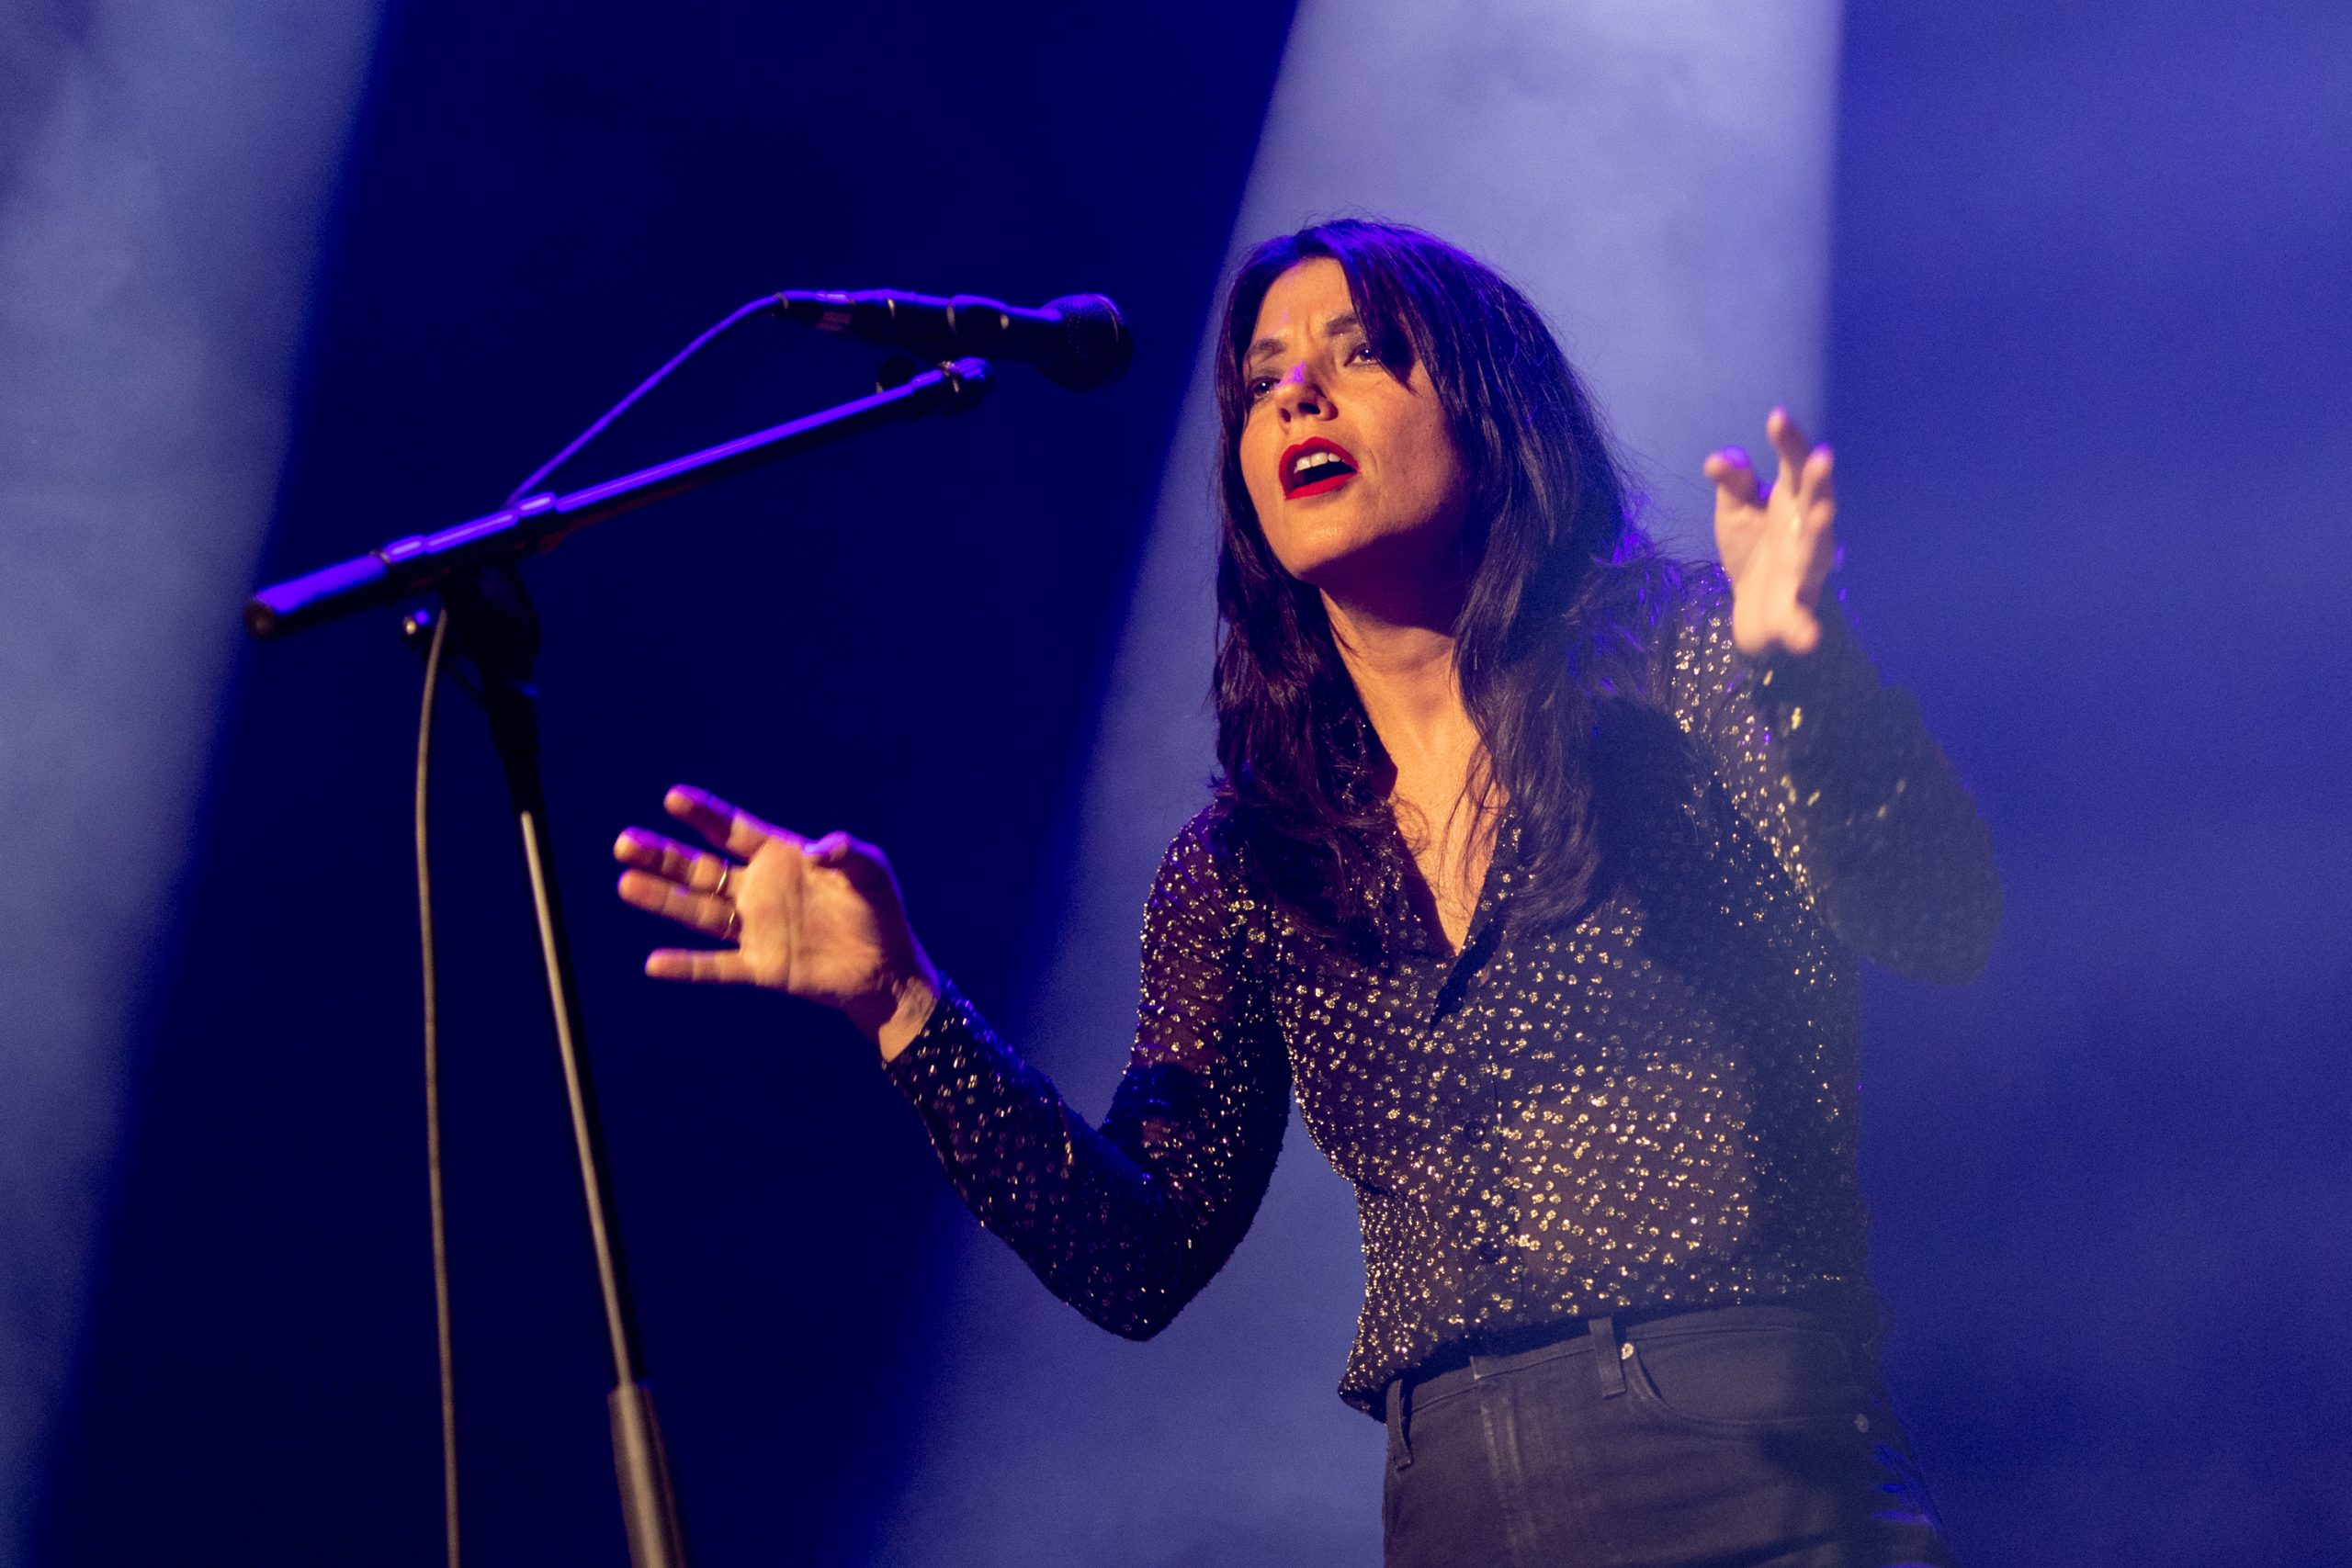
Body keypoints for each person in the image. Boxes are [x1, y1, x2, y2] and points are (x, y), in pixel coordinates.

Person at [612, 219, 2000, 1567]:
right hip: (1459, 1506)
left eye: (1359, 353)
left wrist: (1805, 676)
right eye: (1263, 380)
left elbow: (1941, 919)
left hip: (1763, 1471)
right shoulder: (1249, 864)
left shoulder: (1689, 662)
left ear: (1495, 415)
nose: (1297, 398)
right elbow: (1138, 1254)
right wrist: (906, 1007)